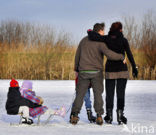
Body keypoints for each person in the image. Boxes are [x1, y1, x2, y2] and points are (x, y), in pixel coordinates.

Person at [70, 23, 125, 125]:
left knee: (80, 94)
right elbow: (109, 54)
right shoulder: (100, 42)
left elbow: (77, 56)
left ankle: (74, 115)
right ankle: (99, 116)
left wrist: (76, 70)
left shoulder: (83, 40)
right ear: (99, 31)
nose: (104, 33)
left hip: (83, 72)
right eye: (103, 31)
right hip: (96, 72)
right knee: (97, 94)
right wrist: (121, 57)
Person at [87, 22, 138, 124]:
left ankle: (109, 117)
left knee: (109, 94)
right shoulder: (123, 40)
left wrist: (89, 31)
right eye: (121, 29)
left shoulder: (107, 38)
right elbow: (129, 54)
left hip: (110, 70)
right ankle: (120, 116)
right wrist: (134, 67)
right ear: (120, 30)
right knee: (120, 94)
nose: (122, 30)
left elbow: (94, 36)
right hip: (122, 70)